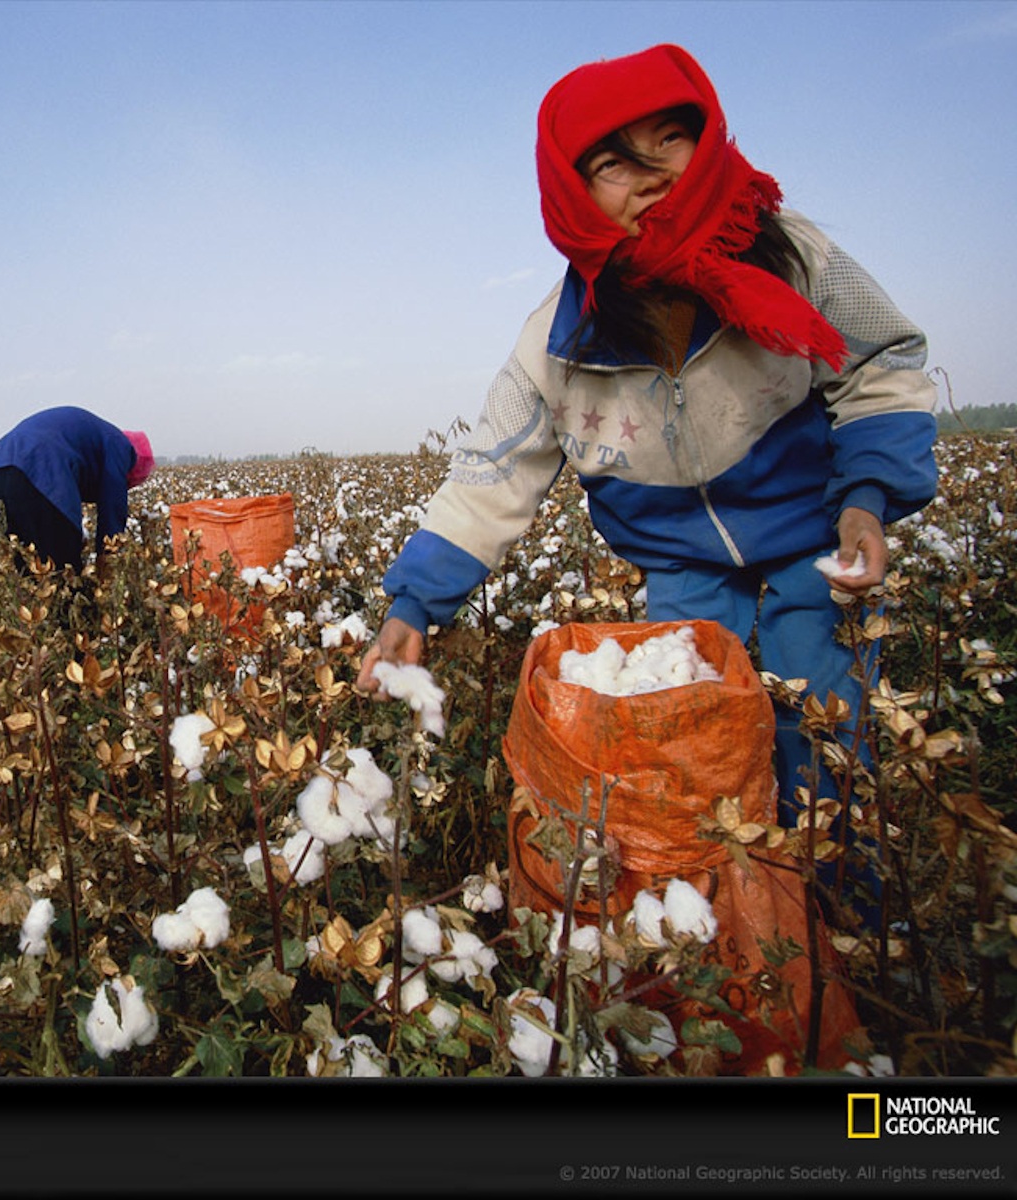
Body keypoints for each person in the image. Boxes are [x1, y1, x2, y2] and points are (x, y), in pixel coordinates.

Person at [356, 44, 938, 921]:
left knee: (817, 725)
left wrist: (866, 500)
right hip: (681, 567)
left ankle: (837, 929)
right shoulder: (556, 344)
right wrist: (413, 607)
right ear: (572, 192)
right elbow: (490, 477)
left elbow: (882, 363)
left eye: (672, 140)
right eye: (612, 163)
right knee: (699, 740)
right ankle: (722, 925)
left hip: (816, 540)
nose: (654, 175)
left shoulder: (788, 257)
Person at [0, 406, 154, 576]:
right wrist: (107, 565)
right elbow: (113, 508)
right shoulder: (120, 445)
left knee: (24, 565)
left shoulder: (96, 436)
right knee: (64, 571)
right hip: (41, 467)